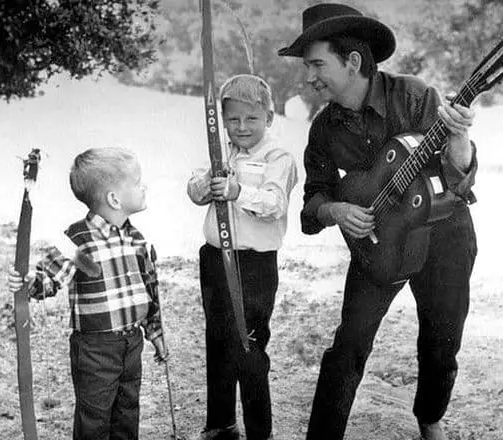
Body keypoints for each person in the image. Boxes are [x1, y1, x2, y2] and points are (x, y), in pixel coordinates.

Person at [278, 4, 478, 440]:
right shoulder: (324, 128)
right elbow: (314, 199)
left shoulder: (413, 96)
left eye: (317, 64)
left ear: (352, 62)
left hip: (443, 234)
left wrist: (459, 137)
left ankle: (429, 416)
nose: (308, 77)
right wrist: (335, 211)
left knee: (442, 344)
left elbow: (458, 180)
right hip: (377, 242)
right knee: (348, 345)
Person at [8, 147, 167, 440]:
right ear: (114, 199)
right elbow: (50, 278)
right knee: (94, 418)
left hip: (131, 344)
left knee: (127, 411)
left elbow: (149, 291)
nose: (143, 187)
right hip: (95, 349)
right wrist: (30, 282)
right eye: (137, 182)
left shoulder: (137, 240)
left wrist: (155, 334)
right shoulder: (79, 240)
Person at [187, 74, 298, 440]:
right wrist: (204, 186)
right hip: (215, 260)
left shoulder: (277, 158)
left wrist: (237, 191)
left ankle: (259, 432)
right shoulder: (223, 154)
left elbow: (274, 204)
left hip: (252, 267)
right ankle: (221, 424)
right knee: (218, 342)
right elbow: (195, 189)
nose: (241, 127)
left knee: (247, 348)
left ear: (269, 118)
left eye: (251, 119)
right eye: (233, 119)